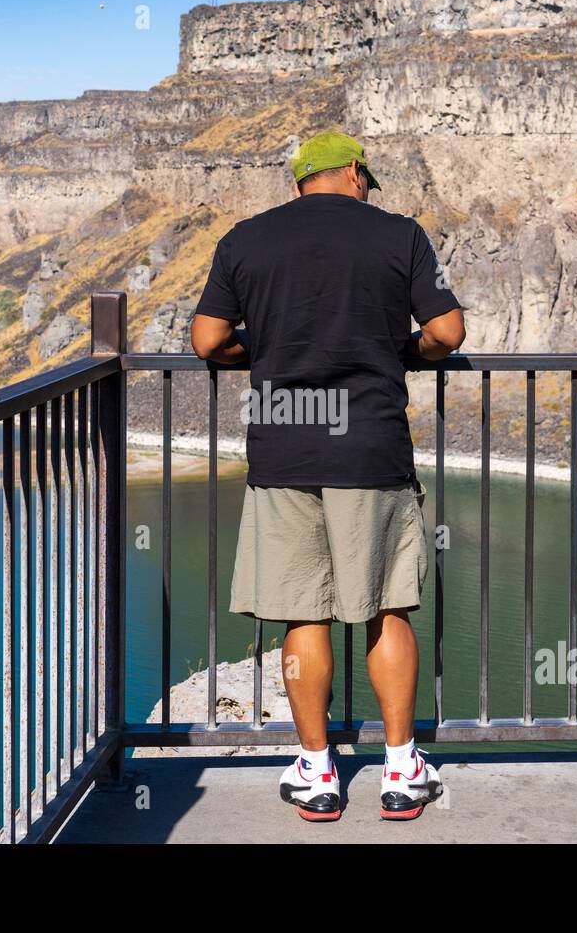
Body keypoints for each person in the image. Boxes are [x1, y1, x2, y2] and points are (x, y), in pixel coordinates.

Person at [190, 132, 465, 822]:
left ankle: (317, 773)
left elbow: (208, 340)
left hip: (284, 450)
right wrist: (406, 349)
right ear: (348, 173)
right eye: (364, 175)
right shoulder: (400, 236)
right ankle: (402, 771)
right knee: (387, 606)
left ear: (298, 184)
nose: (367, 186)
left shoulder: (246, 240)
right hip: (370, 448)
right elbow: (448, 332)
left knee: (302, 613)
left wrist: (261, 351)